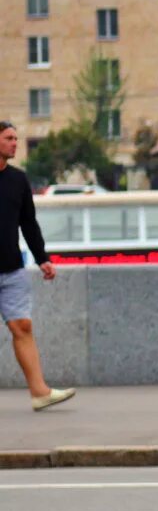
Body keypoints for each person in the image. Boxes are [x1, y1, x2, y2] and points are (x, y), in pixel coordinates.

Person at [0, 122, 75, 411]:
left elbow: (28, 223)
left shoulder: (18, 180)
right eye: (8, 138)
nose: (14, 144)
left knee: (23, 326)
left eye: (16, 139)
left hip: (12, 269)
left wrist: (42, 258)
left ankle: (40, 392)